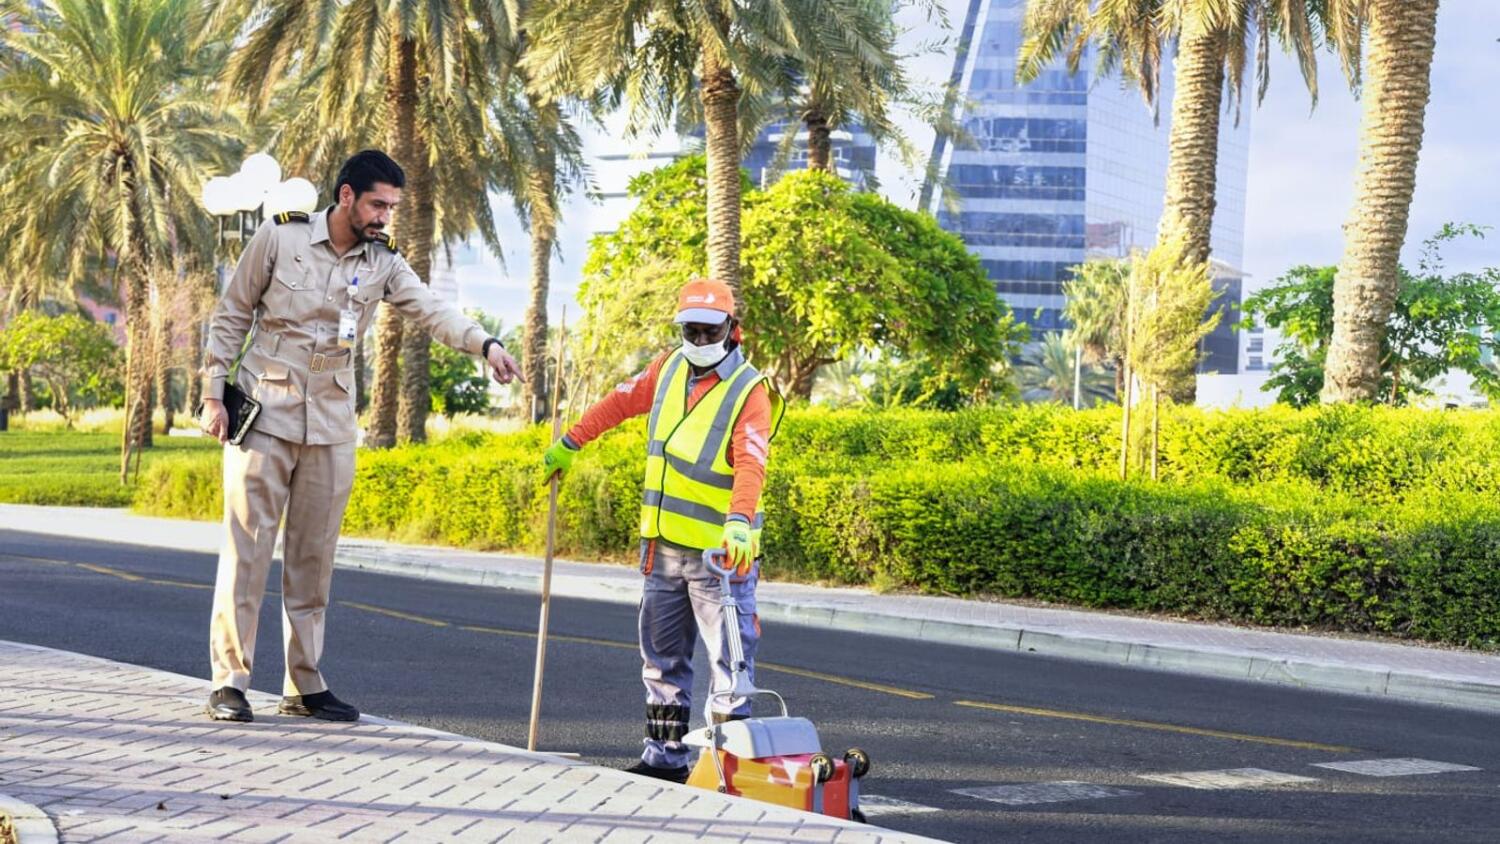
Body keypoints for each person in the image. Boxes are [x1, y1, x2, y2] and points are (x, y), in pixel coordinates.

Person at [199, 149, 522, 723]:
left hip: (330, 424)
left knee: (313, 558)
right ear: (346, 196)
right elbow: (231, 315)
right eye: (378, 204)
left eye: (392, 207)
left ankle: (304, 683)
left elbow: (431, 309)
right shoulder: (279, 240)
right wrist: (212, 395)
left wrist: (486, 344)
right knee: (247, 553)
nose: (385, 217)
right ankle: (230, 680)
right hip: (265, 414)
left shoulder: (383, 263)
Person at [541, 278, 785, 783]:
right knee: (662, 662)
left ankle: (723, 771)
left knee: (729, 669)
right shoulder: (668, 368)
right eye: (689, 330)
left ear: (732, 331)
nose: (698, 341)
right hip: (663, 550)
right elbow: (617, 402)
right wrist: (571, 441)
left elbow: (752, 464)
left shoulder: (749, 391)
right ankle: (664, 761)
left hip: (721, 556)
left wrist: (739, 522)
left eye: (708, 331)